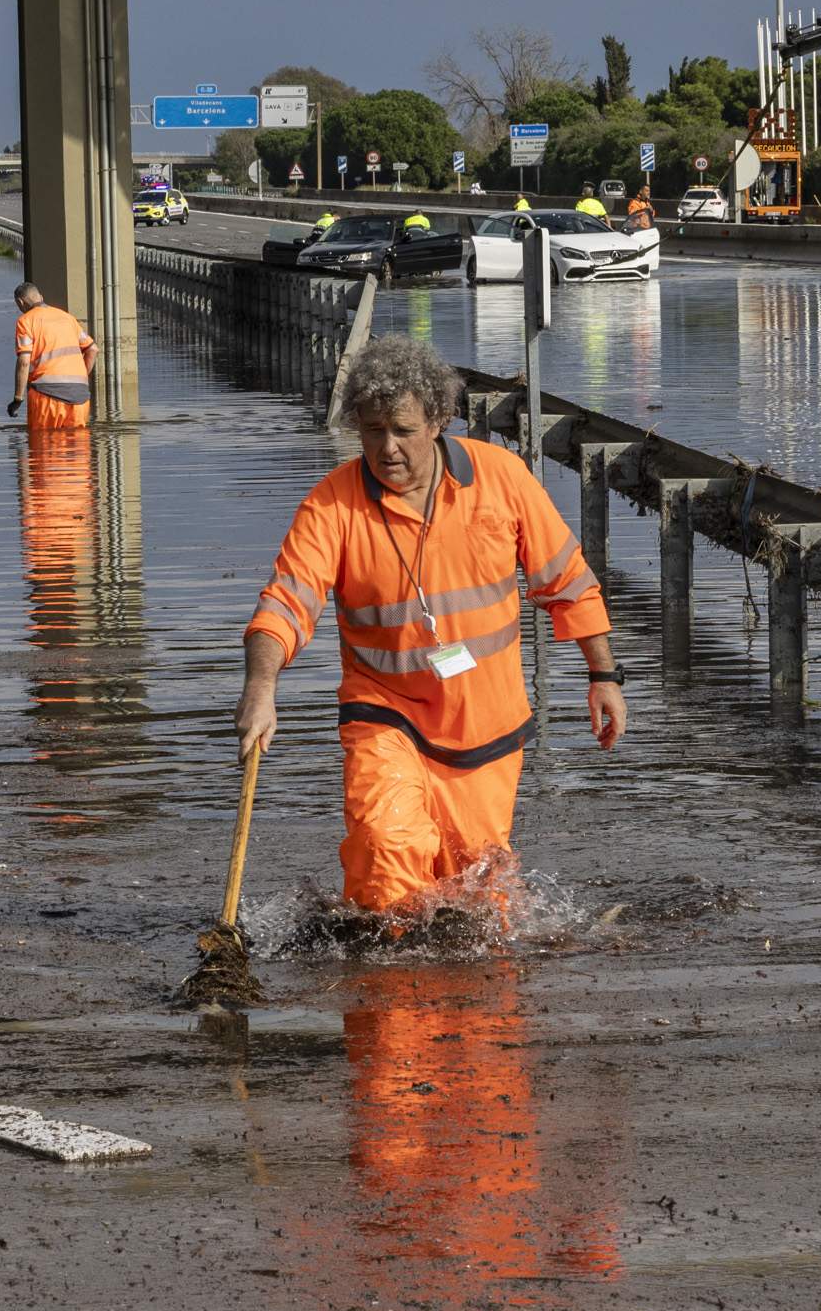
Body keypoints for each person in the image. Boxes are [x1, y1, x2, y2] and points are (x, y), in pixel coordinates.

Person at [238, 337, 625, 915]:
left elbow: (566, 579)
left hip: (486, 726)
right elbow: (287, 602)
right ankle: (386, 995)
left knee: (477, 894)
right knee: (385, 854)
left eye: (402, 430)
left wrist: (605, 675)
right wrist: (260, 688)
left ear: (440, 421)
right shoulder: (332, 505)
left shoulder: (501, 478)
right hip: (385, 714)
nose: (386, 448)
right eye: (371, 430)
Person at [8, 282, 95, 426]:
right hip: (80, 397)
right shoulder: (67, 318)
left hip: (47, 396)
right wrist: (81, 379)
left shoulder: (26, 321)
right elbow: (92, 349)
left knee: (44, 444)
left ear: (20, 302)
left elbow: (24, 362)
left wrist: (18, 398)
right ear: (41, 297)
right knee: (79, 444)